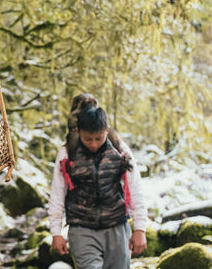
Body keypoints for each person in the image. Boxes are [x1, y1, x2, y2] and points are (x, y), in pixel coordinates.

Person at [48, 99, 148, 269]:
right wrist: (56, 233)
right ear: (78, 131)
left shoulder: (120, 150)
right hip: (81, 228)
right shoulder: (67, 153)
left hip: (116, 226)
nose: (93, 144)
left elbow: (135, 188)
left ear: (106, 131)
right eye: (88, 139)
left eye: (99, 138)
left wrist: (140, 229)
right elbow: (57, 193)